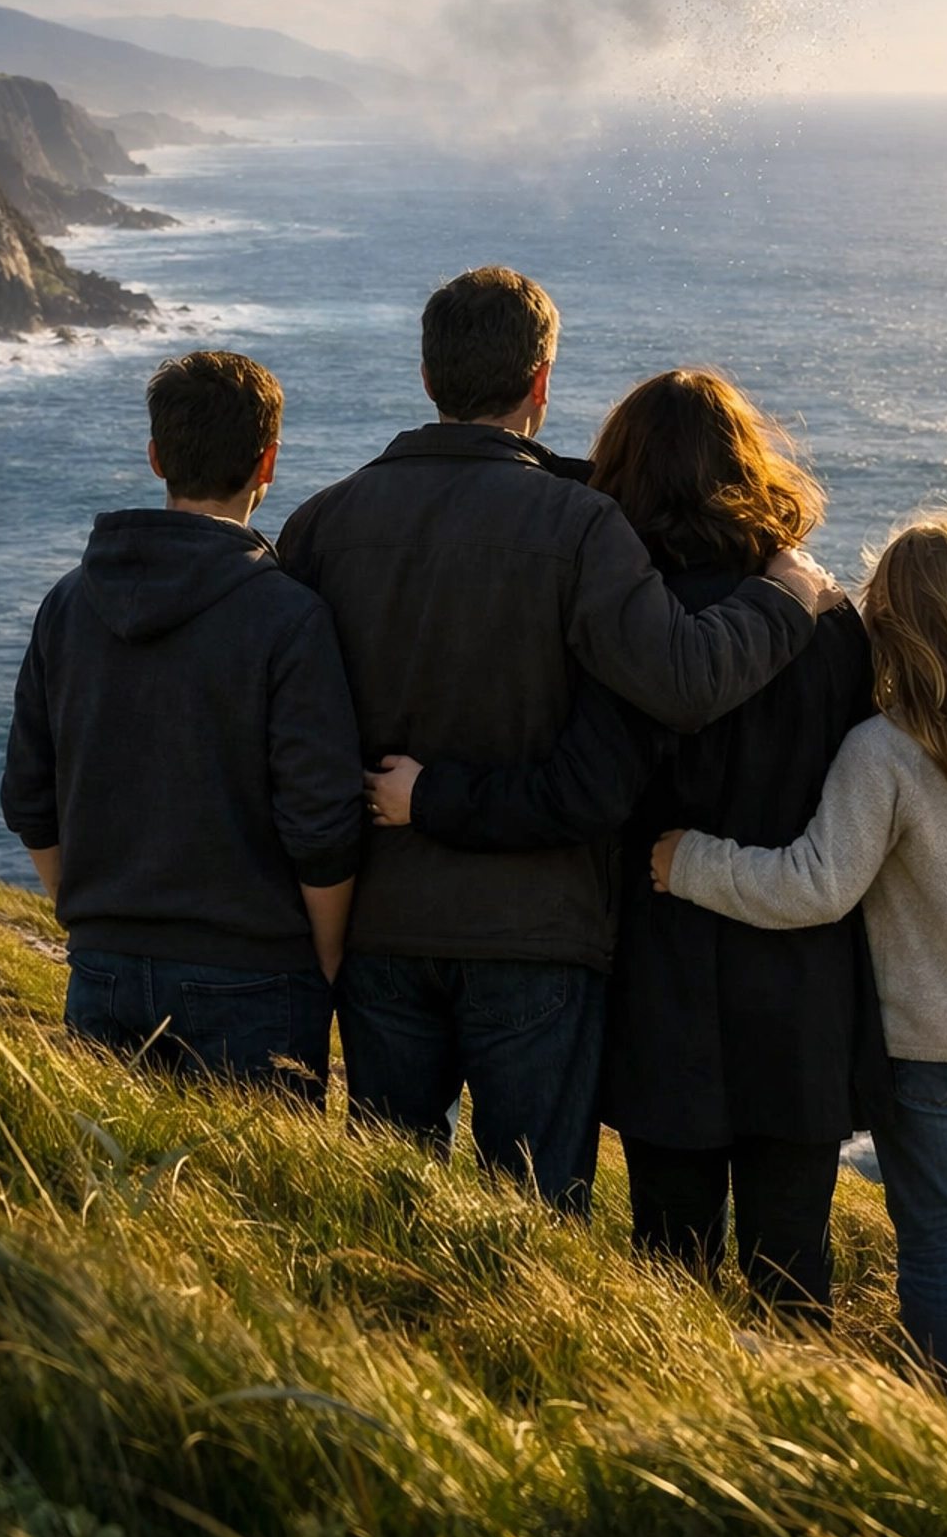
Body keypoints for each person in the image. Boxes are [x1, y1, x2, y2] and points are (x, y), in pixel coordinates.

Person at [275, 270, 834, 1214]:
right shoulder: (583, 529)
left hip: (379, 928)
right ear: (541, 382)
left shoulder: (321, 524)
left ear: (426, 376)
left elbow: (286, 737)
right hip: (534, 935)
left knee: (379, 1214)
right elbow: (686, 681)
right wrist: (788, 596)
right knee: (535, 1231)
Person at [367, 368, 890, 1317]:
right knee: (793, 1282)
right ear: (751, 467)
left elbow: (579, 793)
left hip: (666, 989)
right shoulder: (832, 623)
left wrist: (436, 796)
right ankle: (800, 1460)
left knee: (669, 1282)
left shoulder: (627, 625)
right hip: (804, 994)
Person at [653, 511, 947, 1420]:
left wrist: (688, 862)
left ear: (892, 621)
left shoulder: (884, 752)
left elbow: (815, 886)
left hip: (930, 1043)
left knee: (937, 1243)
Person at [0, 351, 363, 1099]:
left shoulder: (67, 604)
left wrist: (93, 916)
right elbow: (319, 820)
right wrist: (326, 956)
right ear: (268, 463)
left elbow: (27, 796)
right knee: (250, 1212)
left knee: (113, 1206)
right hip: (257, 971)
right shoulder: (289, 615)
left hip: (102, 962)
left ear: (157, 456)